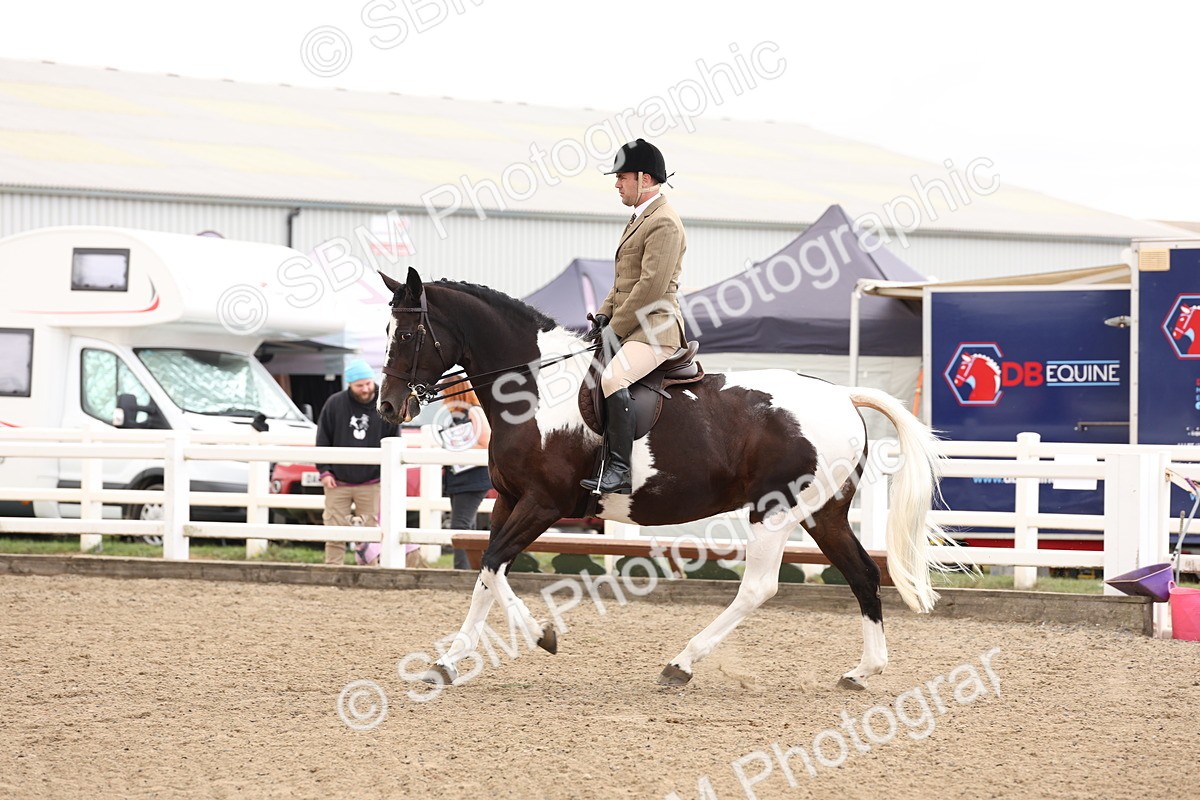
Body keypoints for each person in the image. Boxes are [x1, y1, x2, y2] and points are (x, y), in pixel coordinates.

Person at [580, 138, 687, 495]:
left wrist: (617, 328)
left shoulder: (665, 223)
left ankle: (621, 471)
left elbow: (650, 289)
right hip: (632, 325)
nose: (616, 183)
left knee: (612, 379)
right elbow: (623, 283)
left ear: (644, 178)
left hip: (655, 329)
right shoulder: (639, 220)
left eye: (622, 176)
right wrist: (601, 317)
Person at [315, 358, 405, 566]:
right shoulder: (334, 404)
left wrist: (386, 474)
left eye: (367, 383)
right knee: (334, 529)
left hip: (372, 481)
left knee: (371, 532)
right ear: (349, 385)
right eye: (359, 385)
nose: (365, 389)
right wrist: (324, 471)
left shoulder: (386, 404)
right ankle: (333, 568)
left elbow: (394, 439)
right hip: (338, 480)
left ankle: (369, 570)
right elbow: (322, 439)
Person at [437, 379, 492, 570]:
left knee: (460, 525)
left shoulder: (474, 411)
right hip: (459, 476)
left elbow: (485, 441)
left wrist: (453, 445)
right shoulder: (457, 414)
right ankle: (471, 567)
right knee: (467, 525)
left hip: (472, 477)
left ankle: (461, 569)